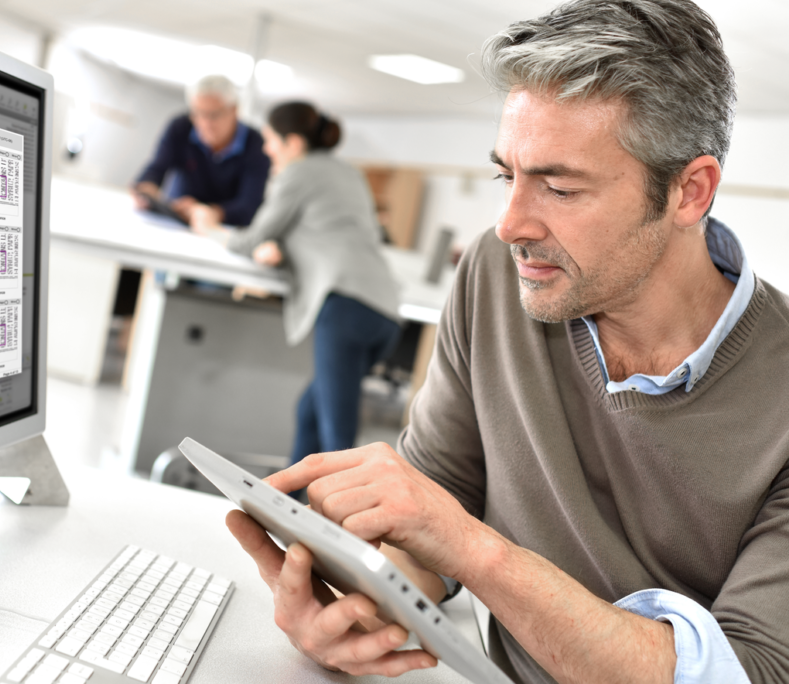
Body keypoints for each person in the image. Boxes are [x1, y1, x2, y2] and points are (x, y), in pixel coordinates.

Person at [225, 1, 789, 683]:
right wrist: (354, 609)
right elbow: (436, 515)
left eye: (560, 187)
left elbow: (750, 671)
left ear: (690, 192)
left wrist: (472, 548)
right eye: (506, 175)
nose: (510, 225)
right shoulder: (497, 276)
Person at [193, 101, 402, 474]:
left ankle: (340, 511)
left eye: (271, 140)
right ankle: (290, 500)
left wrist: (208, 228)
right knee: (309, 411)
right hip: (385, 310)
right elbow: (328, 233)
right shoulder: (348, 173)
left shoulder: (298, 173)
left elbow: (252, 238)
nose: (265, 148)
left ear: (293, 143)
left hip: (345, 307)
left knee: (337, 438)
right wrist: (281, 249)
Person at [132, 74, 270, 227]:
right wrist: (146, 192)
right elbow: (156, 168)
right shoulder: (180, 127)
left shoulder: (257, 144)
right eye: (198, 113)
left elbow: (250, 205)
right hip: (175, 220)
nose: (205, 123)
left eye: (214, 115)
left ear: (233, 110)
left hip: (221, 228)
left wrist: (209, 212)